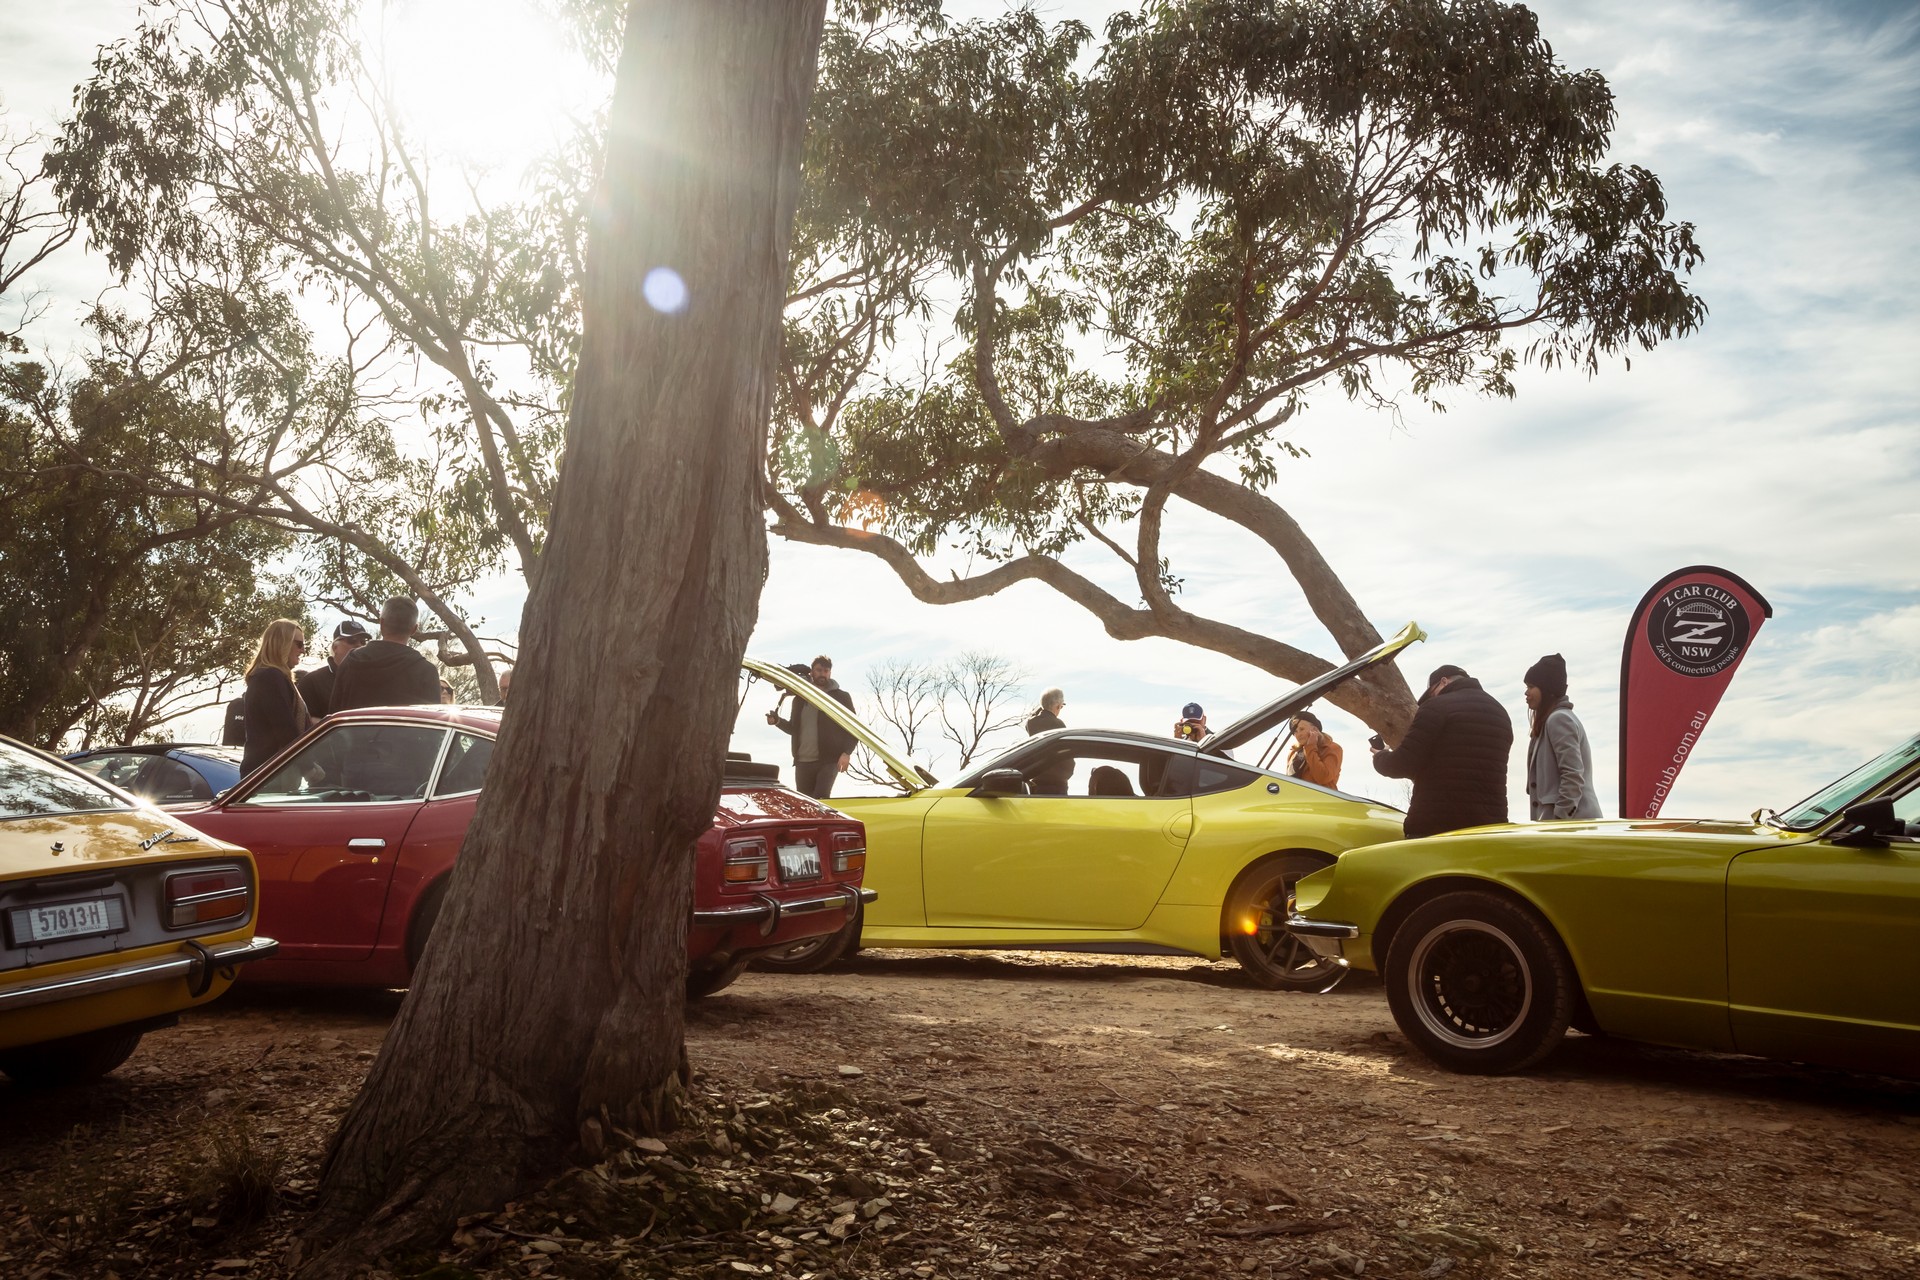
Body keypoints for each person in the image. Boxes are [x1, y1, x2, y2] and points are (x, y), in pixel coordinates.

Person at [1370, 664, 1513, 839]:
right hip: (1490, 826)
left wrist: (1380, 756)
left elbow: (1402, 764)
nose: (1432, 696)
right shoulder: (1500, 713)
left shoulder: (1436, 706)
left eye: (1431, 692)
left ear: (1443, 681)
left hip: (1437, 824)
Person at [1524, 653, 1603, 821]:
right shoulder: (1553, 720)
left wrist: (1560, 818)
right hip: (1566, 826)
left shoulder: (1559, 719)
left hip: (1571, 826)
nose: (1526, 692)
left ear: (1546, 689)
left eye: (1531, 687)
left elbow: (1573, 774)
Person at [329, 596, 443, 711]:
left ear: (381, 623)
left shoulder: (351, 661)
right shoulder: (426, 672)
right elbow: (432, 722)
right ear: (414, 629)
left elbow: (334, 713)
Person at [766, 655, 857, 799]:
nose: (822, 674)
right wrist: (777, 721)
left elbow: (854, 727)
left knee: (821, 800)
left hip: (828, 760)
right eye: (819, 670)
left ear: (830, 673)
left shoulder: (841, 697)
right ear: (812, 672)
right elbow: (794, 728)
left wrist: (847, 752)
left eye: (826, 671)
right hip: (802, 761)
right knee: (805, 804)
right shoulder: (800, 699)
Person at [239, 619, 312, 775]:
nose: (303, 650)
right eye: (299, 644)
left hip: (272, 771)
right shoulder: (269, 677)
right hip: (268, 774)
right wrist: (308, 769)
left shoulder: (273, 677)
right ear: (282, 644)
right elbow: (285, 728)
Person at [296, 618, 371, 718]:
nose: (358, 645)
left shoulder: (371, 681)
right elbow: (303, 722)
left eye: (363, 642)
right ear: (335, 647)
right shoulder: (312, 682)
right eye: (351, 640)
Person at [1025, 688, 1071, 795]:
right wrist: (1067, 773)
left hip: (1036, 781)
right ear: (1058, 706)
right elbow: (1066, 755)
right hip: (1056, 784)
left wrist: (1043, 707)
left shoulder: (1031, 723)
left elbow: (1033, 716)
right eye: (1061, 707)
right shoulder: (1058, 724)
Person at [1287, 710, 1344, 789]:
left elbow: (1323, 777)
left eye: (1302, 729)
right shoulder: (1294, 753)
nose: (1298, 734)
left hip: (1321, 799)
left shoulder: (1332, 748)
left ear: (1315, 729)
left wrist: (1310, 746)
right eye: (1295, 732)